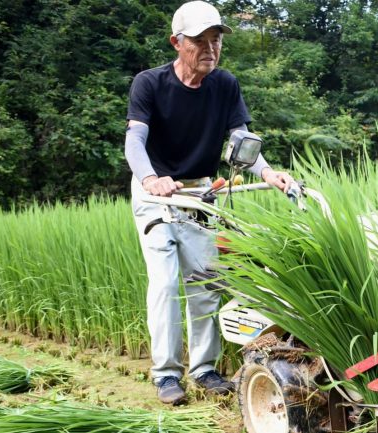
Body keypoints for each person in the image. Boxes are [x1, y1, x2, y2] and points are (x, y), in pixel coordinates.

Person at [124, 0, 293, 405]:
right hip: (156, 194)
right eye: (200, 41)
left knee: (205, 283)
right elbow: (135, 140)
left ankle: (204, 369)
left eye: (215, 41)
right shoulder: (149, 83)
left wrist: (269, 173)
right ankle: (166, 374)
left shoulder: (225, 84)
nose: (210, 49)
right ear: (176, 43)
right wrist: (151, 177)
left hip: (200, 192)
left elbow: (241, 139)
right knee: (165, 283)